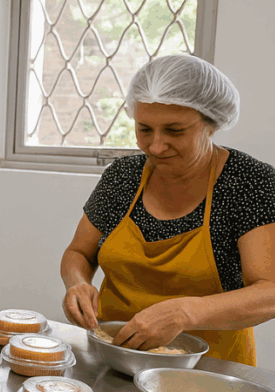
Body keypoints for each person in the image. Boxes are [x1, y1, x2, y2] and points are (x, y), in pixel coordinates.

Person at [61, 54, 275, 365]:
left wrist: (185, 313)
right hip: (114, 356)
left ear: (211, 124)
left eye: (175, 131)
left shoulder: (249, 183)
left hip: (208, 371)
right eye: (144, 129)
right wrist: (77, 283)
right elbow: (78, 253)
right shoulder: (123, 177)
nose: (156, 146)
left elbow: (270, 292)